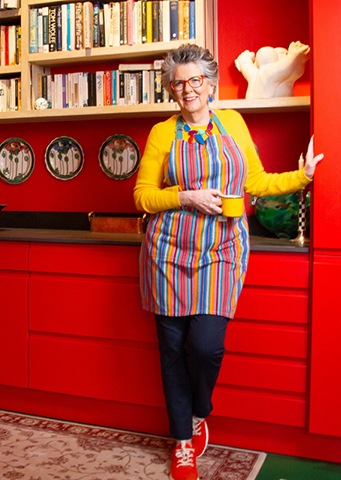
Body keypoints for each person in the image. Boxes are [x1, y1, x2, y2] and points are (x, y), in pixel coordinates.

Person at [133, 44, 323, 480]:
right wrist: (186, 196)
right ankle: (182, 441)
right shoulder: (163, 133)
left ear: (211, 83)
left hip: (221, 253)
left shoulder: (233, 122)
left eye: (195, 80)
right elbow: (142, 195)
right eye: (178, 82)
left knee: (205, 345)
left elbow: (255, 181)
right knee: (170, 352)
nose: (187, 89)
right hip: (168, 253)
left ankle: (200, 412)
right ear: (171, 89)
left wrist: (303, 176)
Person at [235, 41, 310, 99]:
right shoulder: (268, 71)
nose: (286, 56)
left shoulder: (254, 74)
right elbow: (284, 68)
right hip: (266, 103)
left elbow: (246, 65)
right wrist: (293, 55)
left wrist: (244, 58)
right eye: (284, 54)